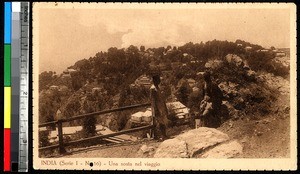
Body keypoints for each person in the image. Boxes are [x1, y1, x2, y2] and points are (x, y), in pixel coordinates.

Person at [150, 74, 170, 140]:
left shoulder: (158, 88)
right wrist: (156, 110)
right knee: (160, 122)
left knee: (163, 122)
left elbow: (162, 99)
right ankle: (162, 136)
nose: (159, 81)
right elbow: (153, 101)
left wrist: (165, 108)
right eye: (157, 80)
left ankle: (164, 135)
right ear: (154, 80)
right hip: (157, 108)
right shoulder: (153, 89)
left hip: (161, 107)